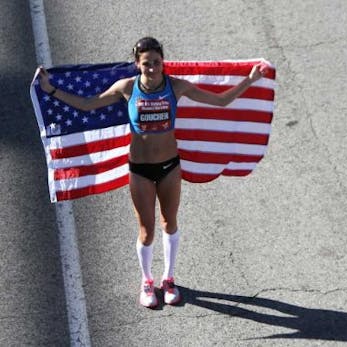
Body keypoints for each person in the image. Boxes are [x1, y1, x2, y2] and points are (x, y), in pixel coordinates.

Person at [36, 37, 267, 308]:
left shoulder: (176, 86)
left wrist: (249, 80)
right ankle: (147, 281)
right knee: (146, 231)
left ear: (162, 62)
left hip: (170, 167)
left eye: (157, 62)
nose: (153, 68)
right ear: (137, 64)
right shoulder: (126, 88)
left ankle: (168, 279)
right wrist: (50, 90)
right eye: (146, 63)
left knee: (170, 223)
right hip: (140, 170)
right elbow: (88, 105)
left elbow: (221, 101)